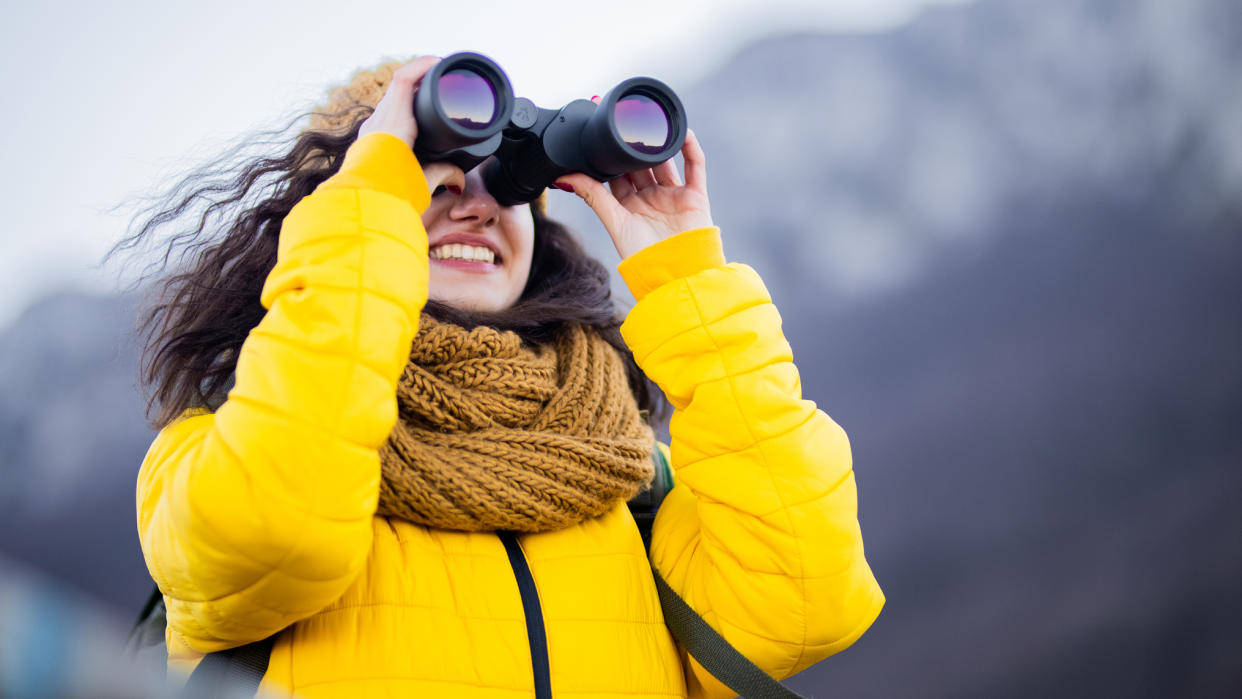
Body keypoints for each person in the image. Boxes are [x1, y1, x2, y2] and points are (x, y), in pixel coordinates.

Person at [130, 56, 884, 698]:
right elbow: (274, 532)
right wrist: (371, 197)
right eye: (432, 176)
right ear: (342, 213)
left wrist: (686, 276)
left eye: (508, 184)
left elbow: (809, 604)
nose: (477, 201)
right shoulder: (210, 453)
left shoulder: (633, 478)